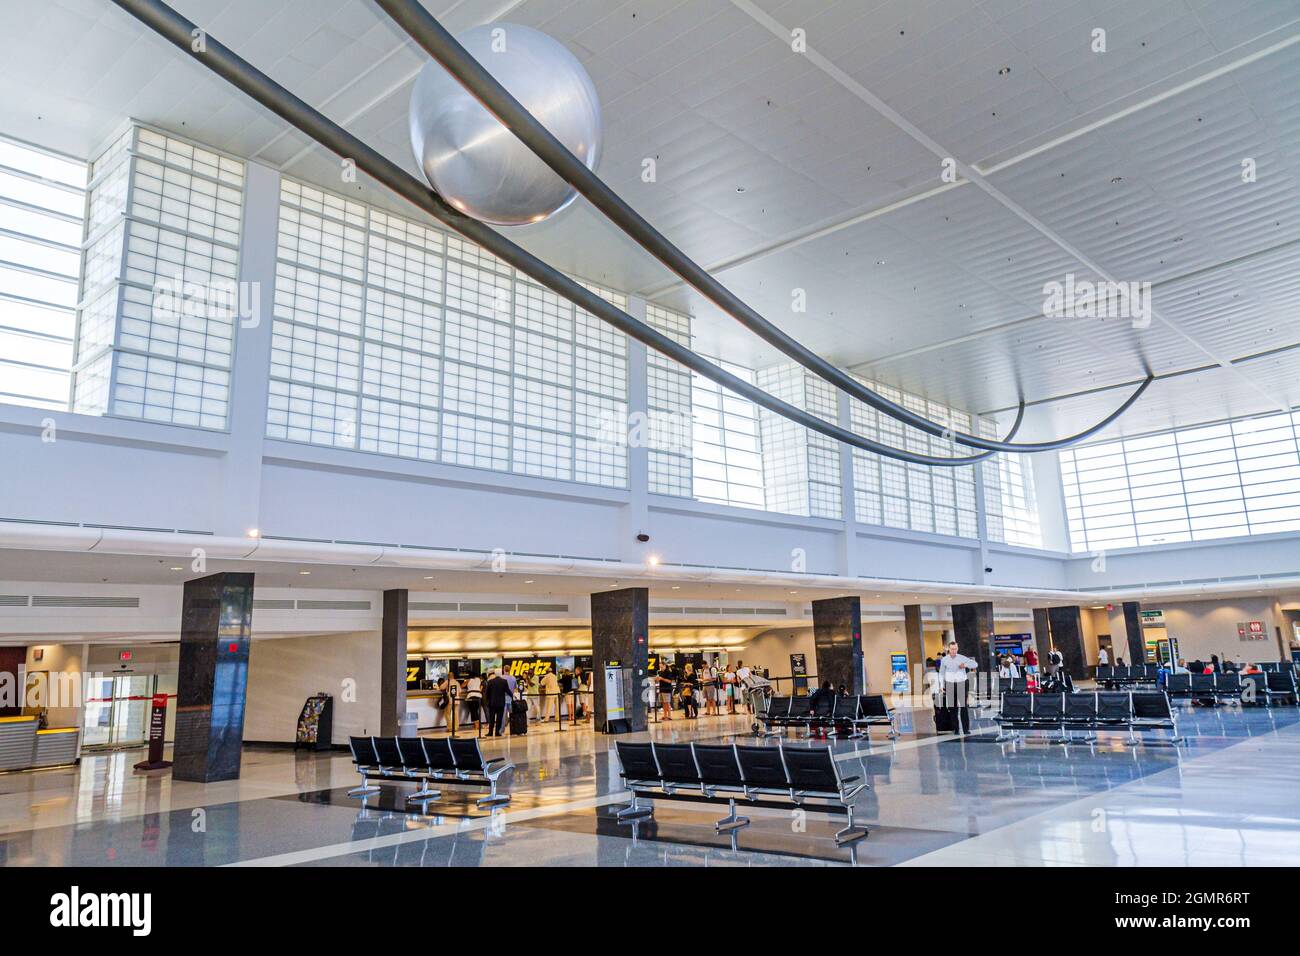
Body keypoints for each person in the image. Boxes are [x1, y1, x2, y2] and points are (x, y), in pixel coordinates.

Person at [937, 640, 978, 735]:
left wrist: (965, 665)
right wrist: (941, 685)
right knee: (953, 708)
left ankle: (966, 729)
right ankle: (956, 729)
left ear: (957, 648)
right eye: (952, 649)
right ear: (948, 649)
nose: (954, 651)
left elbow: (975, 664)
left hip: (962, 684)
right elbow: (941, 673)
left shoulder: (962, 658)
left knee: (964, 707)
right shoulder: (944, 660)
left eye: (955, 649)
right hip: (950, 684)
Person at [483, 670, 510, 737]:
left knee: (491, 718)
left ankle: (490, 732)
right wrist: (513, 696)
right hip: (501, 703)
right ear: (501, 674)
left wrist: (487, 701)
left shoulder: (490, 681)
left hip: (492, 703)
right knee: (499, 718)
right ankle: (497, 732)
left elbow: (487, 693)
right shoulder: (504, 681)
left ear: (495, 674)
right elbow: (508, 691)